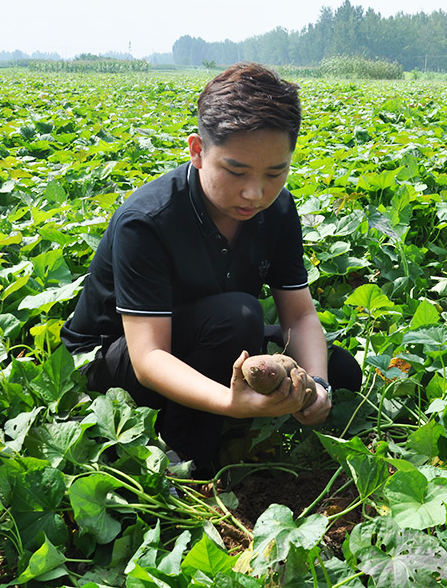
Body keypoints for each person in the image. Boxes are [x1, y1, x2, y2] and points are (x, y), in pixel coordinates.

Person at [61, 62, 361, 467]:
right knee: (236, 316)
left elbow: (300, 314)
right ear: (197, 151)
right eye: (235, 170)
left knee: (341, 369)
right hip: (117, 358)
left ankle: (224, 406)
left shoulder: (278, 209)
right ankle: (190, 458)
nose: (255, 193)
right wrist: (229, 402)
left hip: (211, 334)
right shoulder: (147, 221)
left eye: (276, 173)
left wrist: (318, 385)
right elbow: (149, 358)